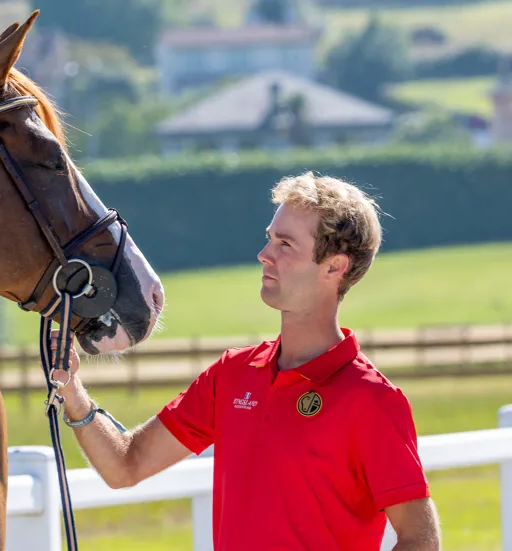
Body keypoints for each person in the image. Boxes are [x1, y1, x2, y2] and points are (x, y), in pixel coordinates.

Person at [51, 171, 442, 550]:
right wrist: (72, 389)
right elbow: (125, 464)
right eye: (269, 238)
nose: (264, 254)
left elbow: (420, 538)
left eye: (285, 244)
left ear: (335, 267)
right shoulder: (233, 375)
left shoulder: (371, 400)